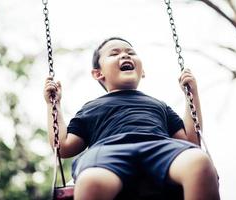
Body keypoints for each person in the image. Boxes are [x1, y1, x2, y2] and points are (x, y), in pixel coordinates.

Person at [44, 37, 220, 200]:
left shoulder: (159, 105)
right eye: (114, 53)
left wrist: (192, 94)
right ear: (98, 74)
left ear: (142, 71)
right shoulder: (91, 108)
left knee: (199, 162)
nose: (124, 55)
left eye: (130, 53)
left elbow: (192, 140)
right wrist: (54, 105)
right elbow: (63, 147)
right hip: (108, 152)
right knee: (91, 181)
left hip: (159, 148)